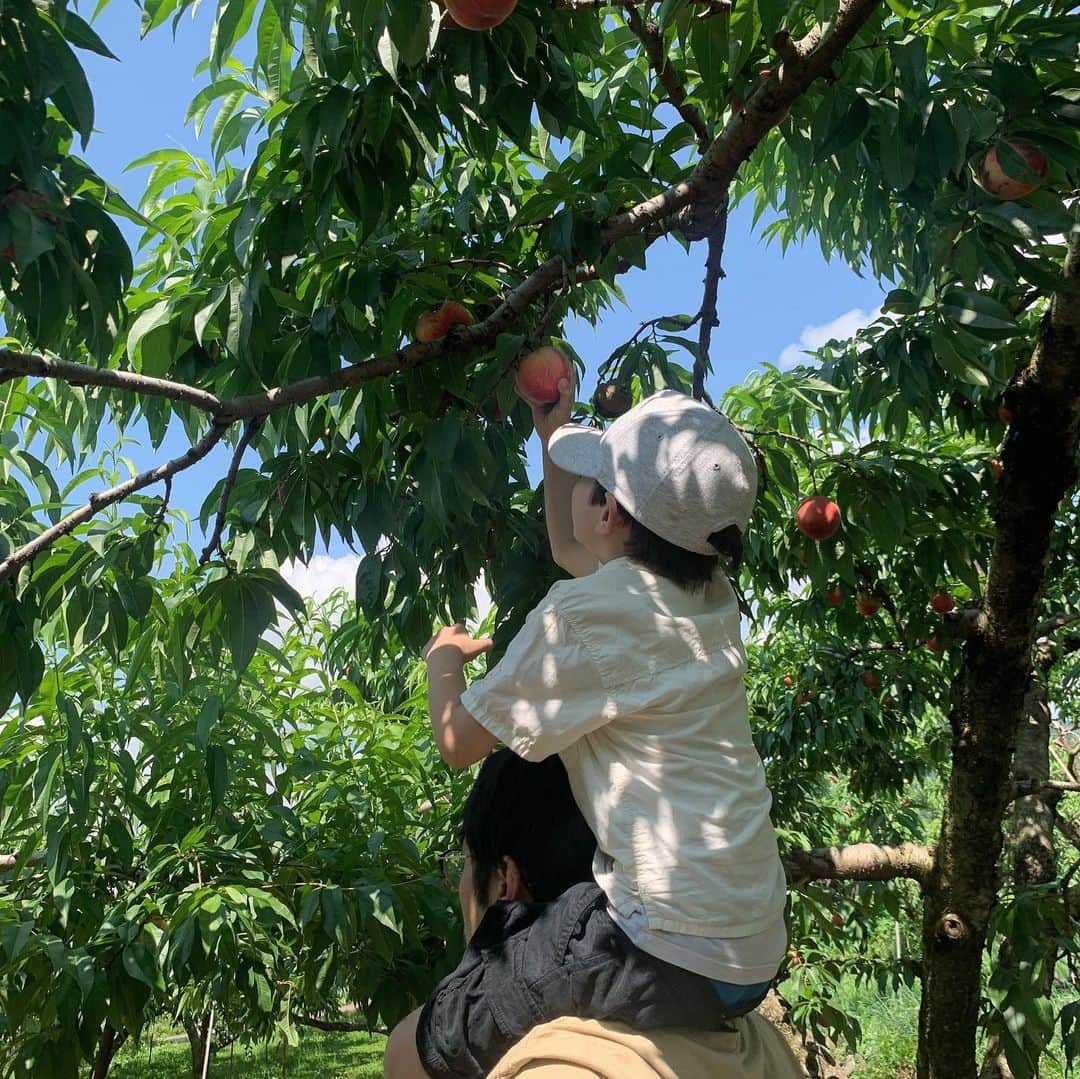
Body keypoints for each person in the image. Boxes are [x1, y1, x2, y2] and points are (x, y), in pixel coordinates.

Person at [415, 374, 788, 1075]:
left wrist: (442, 662)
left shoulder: (582, 619)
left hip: (666, 943)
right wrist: (552, 437)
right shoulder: (710, 596)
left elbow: (457, 743)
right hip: (755, 940)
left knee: (436, 1032)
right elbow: (569, 544)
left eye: (597, 483)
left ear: (611, 511)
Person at [384, 750, 803, 1078]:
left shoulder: (558, 1069)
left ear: (504, 881)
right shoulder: (760, 1042)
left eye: (463, 864)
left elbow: (422, 1046)